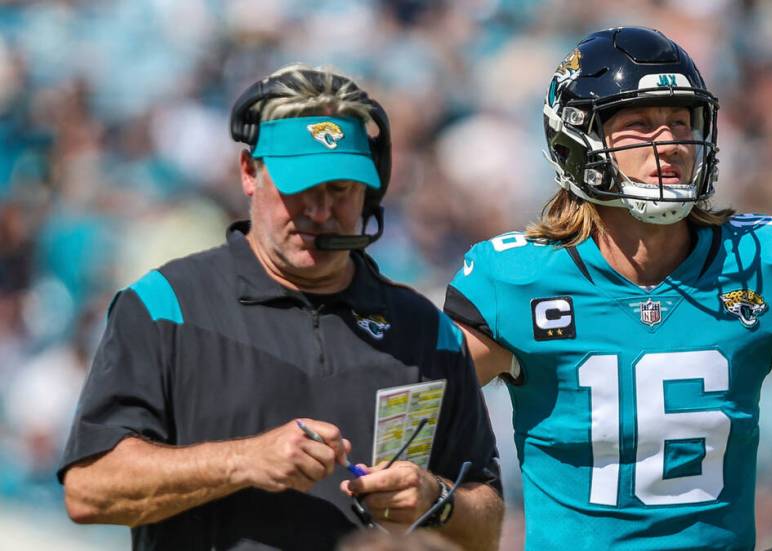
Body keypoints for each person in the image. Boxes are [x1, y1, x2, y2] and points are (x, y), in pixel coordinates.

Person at [444, 27, 772, 550]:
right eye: (638, 124)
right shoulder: (517, 282)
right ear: (576, 140)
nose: (671, 142)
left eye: (681, 120)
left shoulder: (761, 264)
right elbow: (406, 414)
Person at [58, 64, 503, 551]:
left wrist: (434, 499)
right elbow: (89, 490)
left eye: (340, 189)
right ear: (250, 172)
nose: (320, 210)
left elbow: (486, 526)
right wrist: (244, 461)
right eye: (301, 188)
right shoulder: (166, 305)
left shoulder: (425, 329)